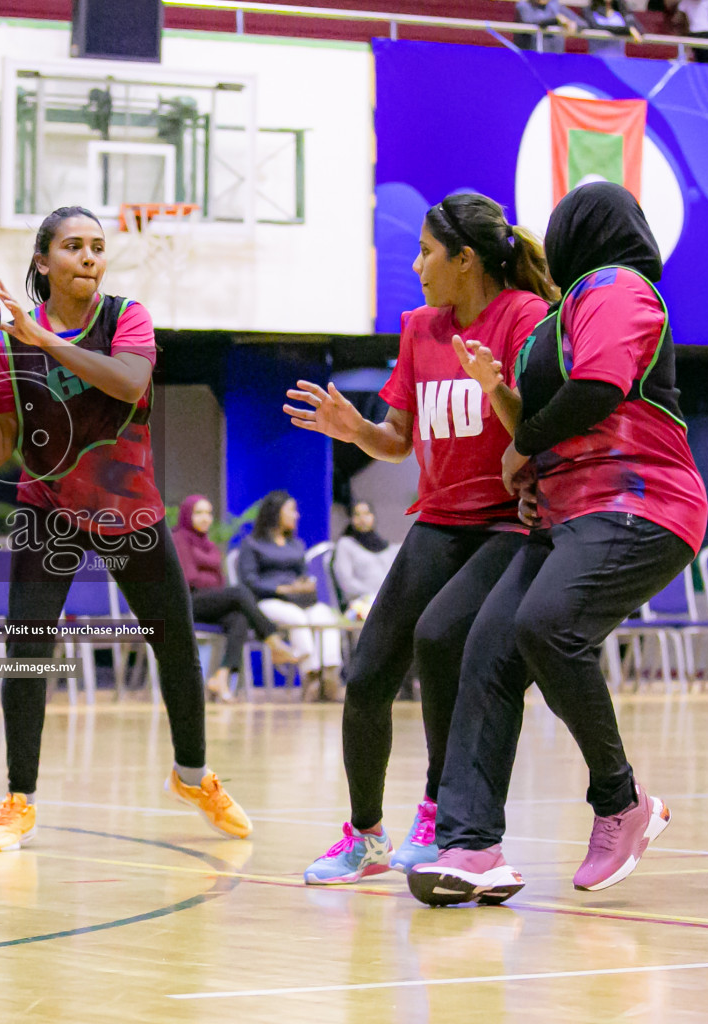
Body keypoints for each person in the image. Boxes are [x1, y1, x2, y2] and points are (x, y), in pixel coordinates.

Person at [0, 206, 252, 851]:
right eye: (73, 246)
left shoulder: (127, 316)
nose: (90, 256)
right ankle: (19, 801)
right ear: (43, 262)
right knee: (28, 651)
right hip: (50, 509)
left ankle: (193, 775)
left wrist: (46, 344)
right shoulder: (13, 341)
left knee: (176, 642)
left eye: (97, 246)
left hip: (131, 510)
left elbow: (128, 383)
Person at [410, 182, 708, 906]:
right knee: (484, 643)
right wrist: (512, 419)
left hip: (641, 502)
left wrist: (525, 446)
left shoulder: (617, 286)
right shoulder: (556, 318)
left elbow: (600, 389)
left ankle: (621, 801)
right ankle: (471, 845)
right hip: (567, 513)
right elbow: (536, 424)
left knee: (545, 622)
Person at [284, 192, 555, 884]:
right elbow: (399, 441)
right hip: (439, 519)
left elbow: (537, 424)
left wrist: (498, 390)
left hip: (506, 521)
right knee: (367, 672)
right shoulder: (419, 328)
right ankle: (365, 837)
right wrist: (357, 431)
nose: (417, 265)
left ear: (465, 260)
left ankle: (438, 812)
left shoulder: (524, 318)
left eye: (427, 253)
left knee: (438, 638)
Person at [172, 494, 297, 703]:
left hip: (207, 602)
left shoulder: (208, 544)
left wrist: (212, 582)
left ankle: (220, 677)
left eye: (209, 513)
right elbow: (190, 578)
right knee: (239, 592)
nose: (205, 518)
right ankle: (273, 640)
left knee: (239, 617)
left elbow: (217, 580)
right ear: (187, 515)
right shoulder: (179, 539)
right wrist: (211, 581)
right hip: (186, 602)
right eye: (199, 513)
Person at [238, 490, 344, 701]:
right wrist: (281, 589)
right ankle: (310, 675)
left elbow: (303, 574)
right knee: (297, 618)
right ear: (276, 513)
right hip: (268, 601)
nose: (297, 515)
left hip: (299, 600)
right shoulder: (252, 544)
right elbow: (248, 581)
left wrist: (304, 585)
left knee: (324, 615)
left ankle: (330, 674)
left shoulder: (296, 545)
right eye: (292, 510)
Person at [331, 502, 400, 609]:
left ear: (373, 517)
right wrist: (375, 594)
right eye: (357, 515)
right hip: (360, 604)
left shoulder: (388, 548)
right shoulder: (346, 545)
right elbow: (346, 584)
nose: (362, 518)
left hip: (388, 601)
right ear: (351, 519)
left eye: (366, 514)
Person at [515, 0, 584, 53]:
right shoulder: (523, 5)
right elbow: (531, 20)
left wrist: (573, 24)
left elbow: (582, 24)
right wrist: (556, 20)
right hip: (532, 56)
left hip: (556, 57)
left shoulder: (555, 6)